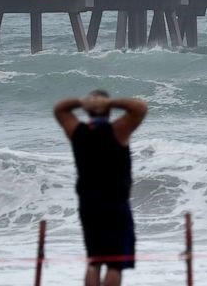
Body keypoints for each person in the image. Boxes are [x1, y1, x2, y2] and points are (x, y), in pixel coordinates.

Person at [53, 90, 148, 286]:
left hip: (88, 204)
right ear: (108, 111)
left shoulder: (78, 132)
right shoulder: (117, 131)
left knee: (94, 260)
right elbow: (140, 108)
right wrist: (110, 102)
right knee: (114, 264)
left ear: (88, 111)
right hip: (115, 203)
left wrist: (81, 101)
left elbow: (60, 109)